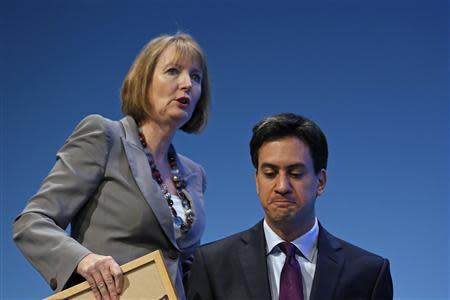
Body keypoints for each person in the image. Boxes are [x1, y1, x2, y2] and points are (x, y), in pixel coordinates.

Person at [13, 33, 211, 300]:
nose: (187, 84)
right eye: (173, 71)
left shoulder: (194, 174)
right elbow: (32, 222)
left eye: (196, 77)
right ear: (143, 82)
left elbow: (186, 265)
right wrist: (82, 260)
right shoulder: (104, 136)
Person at [187, 113, 393, 300]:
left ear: (320, 182)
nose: (282, 186)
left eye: (295, 174)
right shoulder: (212, 265)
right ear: (257, 180)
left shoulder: (368, 274)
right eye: (270, 174)